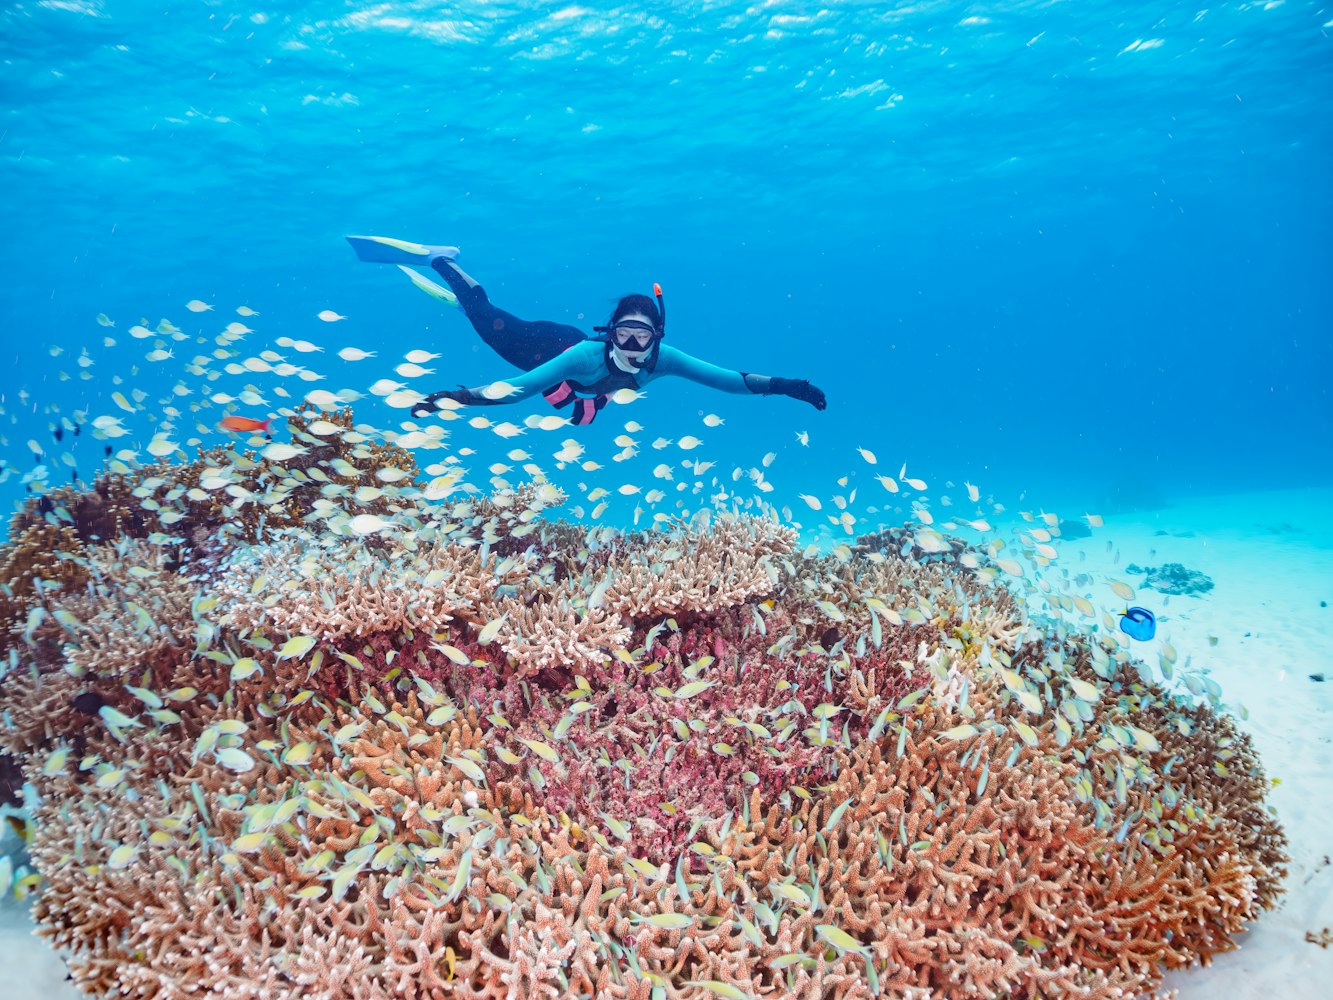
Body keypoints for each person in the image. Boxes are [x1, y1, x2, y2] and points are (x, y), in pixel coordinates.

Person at [346, 236, 827, 426]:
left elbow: (728, 381)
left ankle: (463, 300)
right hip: (543, 349)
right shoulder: (585, 356)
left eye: (643, 336)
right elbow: (515, 391)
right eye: (625, 334)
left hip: (581, 391)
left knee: (583, 416)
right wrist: (454, 396)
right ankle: (441, 262)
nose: (634, 346)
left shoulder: (665, 359)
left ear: (657, 337)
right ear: (610, 332)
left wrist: (788, 387)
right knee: (486, 321)